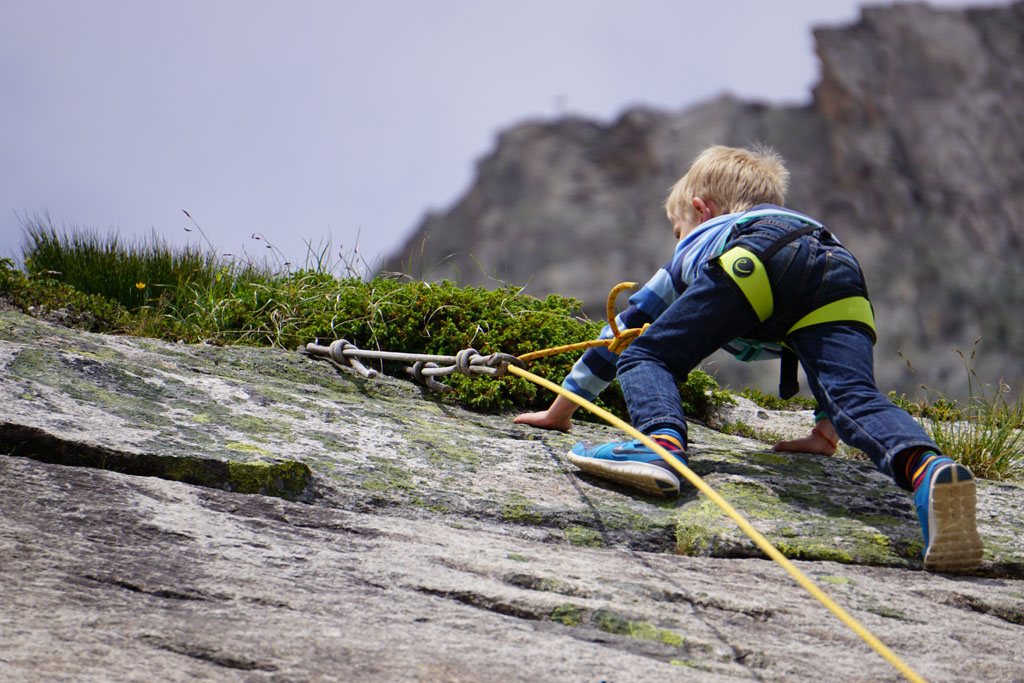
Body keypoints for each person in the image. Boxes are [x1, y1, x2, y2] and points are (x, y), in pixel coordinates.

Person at [514, 144, 983, 573]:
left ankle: (660, 446)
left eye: (678, 231)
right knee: (855, 396)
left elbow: (621, 333)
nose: (680, 241)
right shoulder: (803, 225)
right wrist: (825, 432)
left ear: (701, 209)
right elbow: (829, 364)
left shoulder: (710, 236)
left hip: (755, 259)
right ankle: (928, 471)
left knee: (646, 355)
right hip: (843, 270)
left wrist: (561, 411)